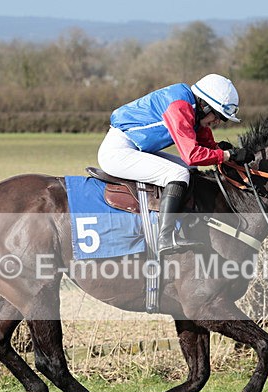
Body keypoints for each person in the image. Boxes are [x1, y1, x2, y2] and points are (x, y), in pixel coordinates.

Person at [98, 73, 254, 255]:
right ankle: (165, 238)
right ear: (205, 106)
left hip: (135, 148)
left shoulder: (193, 108)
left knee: (190, 171)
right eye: (218, 116)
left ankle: (188, 222)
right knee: (178, 174)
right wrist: (226, 155)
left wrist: (223, 149)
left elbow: (206, 145)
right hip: (117, 152)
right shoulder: (180, 106)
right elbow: (192, 155)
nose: (218, 122)